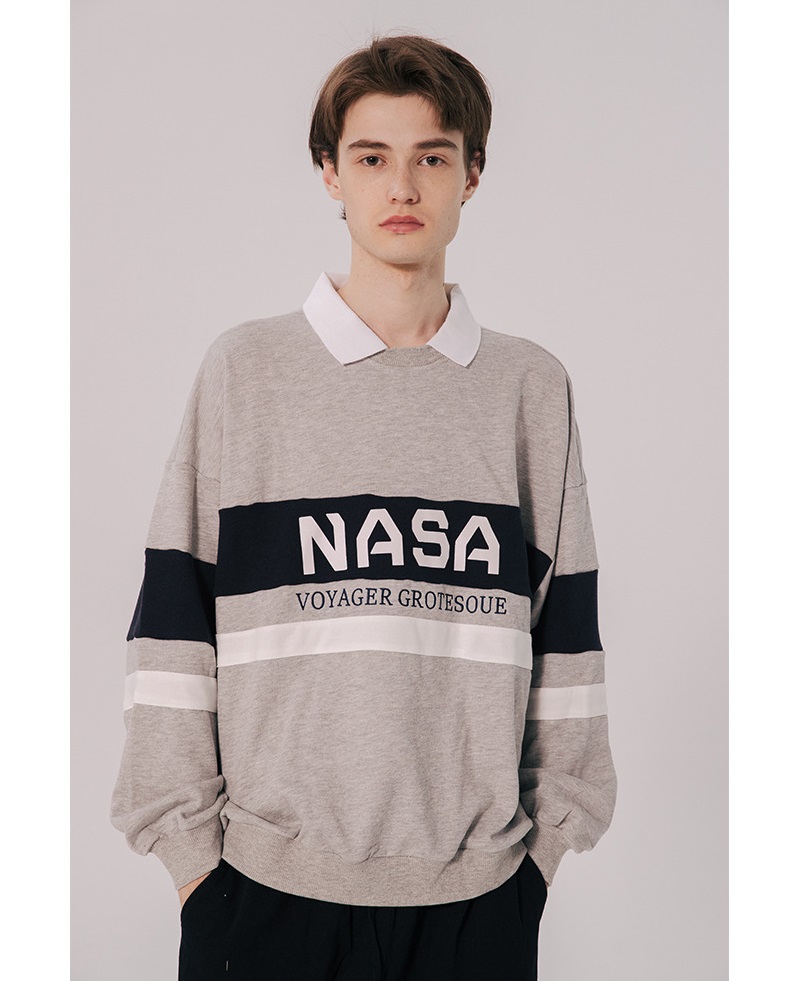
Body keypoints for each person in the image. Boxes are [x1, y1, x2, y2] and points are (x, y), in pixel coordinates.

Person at [111, 32, 617, 981]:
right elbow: (172, 626)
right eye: (372, 158)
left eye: (432, 157)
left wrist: (540, 861)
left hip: (478, 904)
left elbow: (568, 644)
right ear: (330, 174)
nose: (402, 187)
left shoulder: (527, 387)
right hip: (262, 894)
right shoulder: (248, 370)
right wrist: (193, 869)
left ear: (471, 175)